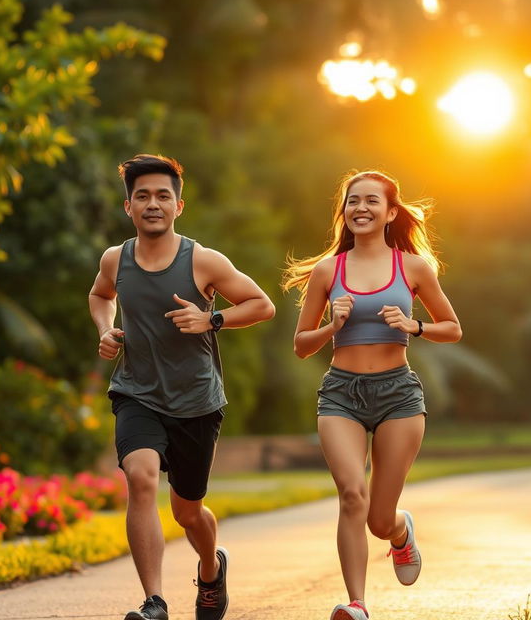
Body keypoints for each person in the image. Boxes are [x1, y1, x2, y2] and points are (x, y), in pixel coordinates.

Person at [89, 154, 275, 620]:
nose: (153, 204)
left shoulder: (204, 260)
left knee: (188, 512)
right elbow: (99, 296)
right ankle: (154, 601)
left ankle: (211, 568)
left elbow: (262, 304)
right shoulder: (116, 259)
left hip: (196, 401)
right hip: (136, 392)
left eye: (162, 196)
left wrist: (210, 318)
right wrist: (105, 329)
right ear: (128, 206)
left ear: (179, 205)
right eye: (143, 196)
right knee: (140, 478)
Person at [283, 170, 461, 620]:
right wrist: (331, 326)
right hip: (340, 394)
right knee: (350, 496)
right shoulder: (329, 270)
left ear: (391, 212)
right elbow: (302, 345)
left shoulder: (413, 267)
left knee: (378, 520)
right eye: (352, 201)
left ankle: (400, 532)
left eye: (371, 202)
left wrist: (413, 326)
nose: (360, 208)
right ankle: (357, 604)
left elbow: (453, 329)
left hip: (398, 395)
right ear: (343, 212)